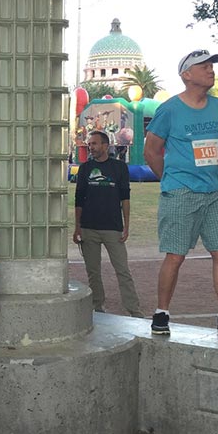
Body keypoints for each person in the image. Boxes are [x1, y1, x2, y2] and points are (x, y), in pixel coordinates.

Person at [143, 49, 218, 340]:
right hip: (182, 192)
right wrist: (171, 180)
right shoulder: (169, 109)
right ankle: (161, 313)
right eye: (203, 66)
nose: (210, 70)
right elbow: (151, 150)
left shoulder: (217, 106)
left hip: (215, 191)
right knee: (175, 256)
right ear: (186, 75)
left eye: (211, 66)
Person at [73, 130, 144, 317]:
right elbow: (78, 199)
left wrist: (126, 225)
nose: (91, 147)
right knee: (93, 272)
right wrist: (77, 227)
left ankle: (134, 309)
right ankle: (97, 307)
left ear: (106, 146)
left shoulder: (119, 168)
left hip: (113, 228)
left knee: (122, 270)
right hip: (89, 228)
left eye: (95, 144)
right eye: (90, 144)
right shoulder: (85, 169)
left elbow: (125, 198)